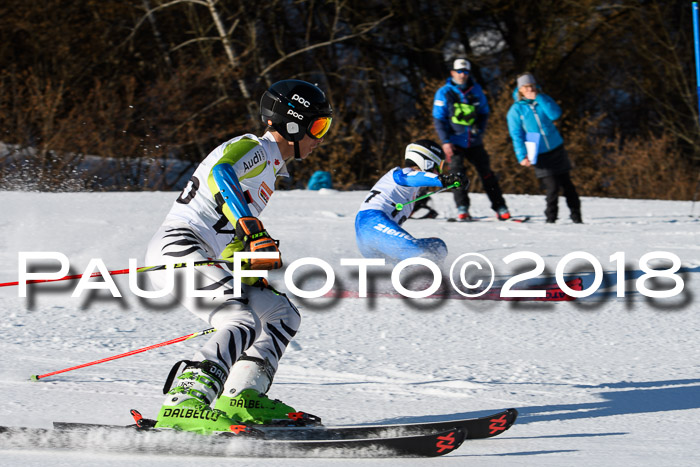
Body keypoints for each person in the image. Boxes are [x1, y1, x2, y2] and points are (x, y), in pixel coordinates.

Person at [145, 79, 332, 434]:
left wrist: (244, 268)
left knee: (280, 313)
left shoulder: (271, 170)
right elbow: (221, 173)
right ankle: (185, 401)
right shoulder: (254, 147)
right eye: (318, 126)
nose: (321, 137)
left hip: (204, 253)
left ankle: (241, 396)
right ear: (293, 124)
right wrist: (250, 223)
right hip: (179, 245)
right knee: (238, 318)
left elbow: (230, 233)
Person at [355, 139, 467, 264]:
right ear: (428, 163)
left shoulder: (410, 191)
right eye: (438, 167)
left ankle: (418, 280)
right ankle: (424, 279)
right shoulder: (404, 173)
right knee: (420, 254)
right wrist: (443, 180)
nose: (438, 171)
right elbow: (412, 177)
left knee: (437, 246)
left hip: (371, 234)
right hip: (373, 223)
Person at [432, 58, 510, 222]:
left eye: (465, 72)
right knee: (456, 175)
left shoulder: (476, 91)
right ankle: (462, 208)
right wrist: (445, 141)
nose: (462, 75)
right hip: (454, 143)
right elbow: (439, 119)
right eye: (459, 71)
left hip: (474, 142)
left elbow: (484, 112)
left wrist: (479, 130)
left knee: (487, 174)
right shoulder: (444, 92)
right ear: (452, 72)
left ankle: (500, 207)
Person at [506, 72, 582, 223]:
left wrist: (539, 98)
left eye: (532, 86)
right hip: (538, 153)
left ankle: (577, 218)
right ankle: (551, 219)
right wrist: (522, 156)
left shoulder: (544, 99)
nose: (530, 90)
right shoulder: (515, 110)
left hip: (556, 148)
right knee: (552, 188)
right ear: (520, 89)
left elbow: (555, 114)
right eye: (526, 87)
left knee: (568, 186)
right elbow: (516, 134)